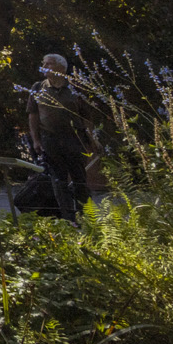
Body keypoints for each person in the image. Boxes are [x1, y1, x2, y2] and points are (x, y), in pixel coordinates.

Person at [26, 54, 100, 222]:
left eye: (48, 64)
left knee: (79, 179)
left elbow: (87, 117)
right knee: (58, 181)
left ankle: (86, 218)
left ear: (61, 68)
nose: (44, 66)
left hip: (74, 140)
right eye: (43, 63)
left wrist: (93, 139)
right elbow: (33, 116)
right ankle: (68, 220)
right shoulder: (37, 88)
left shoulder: (76, 88)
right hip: (50, 140)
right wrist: (36, 140)